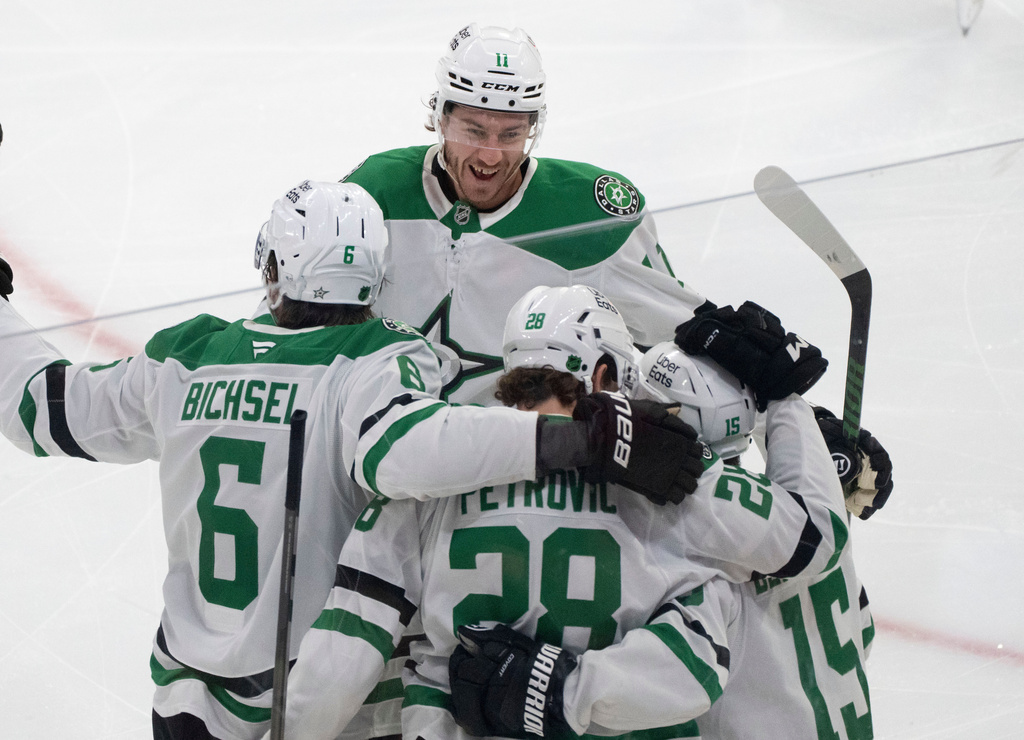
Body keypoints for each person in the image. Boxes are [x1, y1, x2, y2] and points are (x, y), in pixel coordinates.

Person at [0, 183, 705, 740]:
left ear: (272, 268)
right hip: (331, 695)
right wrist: (578, 438)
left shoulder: (188, 355)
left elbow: (37, 408)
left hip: (190, 691)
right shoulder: (374, 359)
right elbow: (407, 453)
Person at [335, 22, 891, 519]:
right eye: (473, 131)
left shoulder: (586, 214)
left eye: (511, 133)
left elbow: (680, 354)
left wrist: (799, 429)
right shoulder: (376, 192)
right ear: (439, 116)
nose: (491, 155)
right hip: (383, 476)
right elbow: (307, 325)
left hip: (521, 492)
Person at [272, 284, 848, 739]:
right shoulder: (681, 481)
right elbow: (813, 540)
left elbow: (342, 657)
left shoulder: (432, 485)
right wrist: (783, 399)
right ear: (605, 375)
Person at [454, 339, 878, 739]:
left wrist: (553, 686)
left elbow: (684, 671)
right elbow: (863, 631)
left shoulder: (703, 559)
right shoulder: (805, 527)